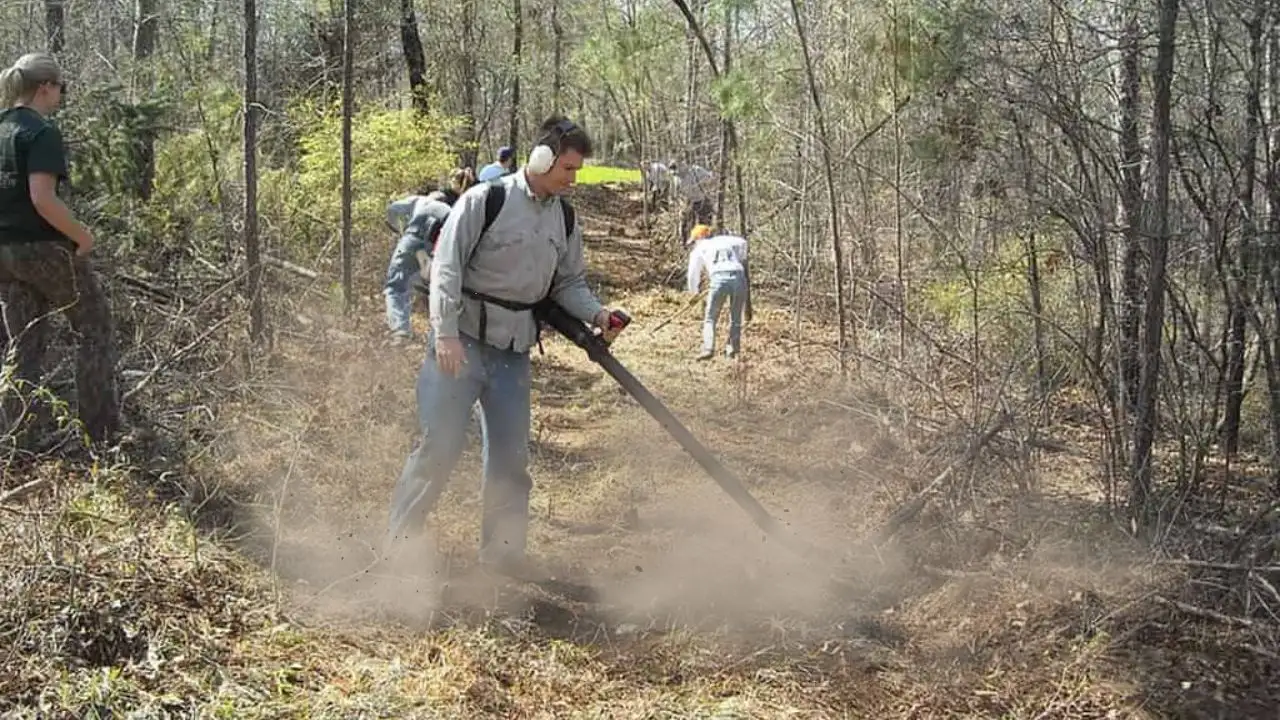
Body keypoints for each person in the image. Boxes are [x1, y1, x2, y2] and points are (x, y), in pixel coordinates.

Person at [385, 116, 628, 580]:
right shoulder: (486, 199)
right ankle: (398, 545)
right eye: (569, 168)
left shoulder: (565, 217)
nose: (573, 179)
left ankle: (502, 558)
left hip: (513, 351)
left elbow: (569, 283)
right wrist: (446, 334)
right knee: (438, 447)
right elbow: (448, 268)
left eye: (577, 170)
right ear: (542, 158)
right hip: (461, 344)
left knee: (511, 460)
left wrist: (598, 314)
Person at [0, 52, 119, 446]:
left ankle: (19, 438)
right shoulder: (41, 132)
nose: (62, 96)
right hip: (43, 250)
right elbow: (42, 198)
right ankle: (100, 436)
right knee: (96, 326)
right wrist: (83, 238)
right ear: (45, 87)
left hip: (4, 254)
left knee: (25, 343)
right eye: (61, 88)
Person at [383, 167, 475, 342]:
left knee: (395, 286)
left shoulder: (418, 200)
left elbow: (392, 209)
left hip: (411, 238)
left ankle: (401, 329)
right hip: (433, 246)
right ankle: (441, 331)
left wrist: (397, 228)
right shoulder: (450, 211)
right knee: (439, 289)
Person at [686, 223, 752, 361]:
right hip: (739, 276)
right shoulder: (725, 240)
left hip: (718, 279)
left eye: (694, 241)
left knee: (710, 317)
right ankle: (732, 351)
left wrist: (694, 292)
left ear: (699, 238)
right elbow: (743, 243)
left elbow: (693, 274)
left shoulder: (699, 249)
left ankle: (708, 348)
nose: (693, 244)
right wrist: (739, 258)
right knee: (735, 318)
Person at [669, 161, 715, 242]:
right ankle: (685, 243)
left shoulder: (696, 171)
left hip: (703, 200)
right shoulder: (676, 178)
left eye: (676, 171)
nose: (675, 174)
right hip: (688, 201)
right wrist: (677, 202)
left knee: (704, 225)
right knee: (685, 224)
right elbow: (675, 193)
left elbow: (710, 178)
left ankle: (705, 243)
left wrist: (705, 188)